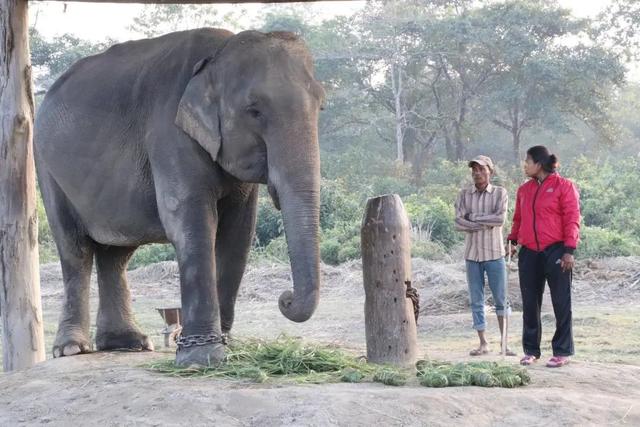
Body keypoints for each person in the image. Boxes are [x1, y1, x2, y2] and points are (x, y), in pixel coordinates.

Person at [507, 145, 580, 368]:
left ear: (539, 164)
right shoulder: (524, 190)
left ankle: (562, 351)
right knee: (530, 303)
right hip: (529, 253)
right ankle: (531, 351)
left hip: (557, 250)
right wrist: (512, 240)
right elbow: (518, 219)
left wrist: (569, 250)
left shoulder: (564, 186)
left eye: (527, 161)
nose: (524, 165)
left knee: (561, 301)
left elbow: (572, 218)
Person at [455, 155, 513, 356]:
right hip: (472, 255)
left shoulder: (500, 193)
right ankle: (483, 343)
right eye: (474, 170)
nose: (477, 173)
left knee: (501, 299)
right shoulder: (464, 194)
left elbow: (499, 219)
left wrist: (473, 219)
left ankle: (504, 343)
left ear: (490, 171)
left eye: (481, 169)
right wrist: (480, 225)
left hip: (495, 253)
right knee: (476, 299)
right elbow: (457, 222)